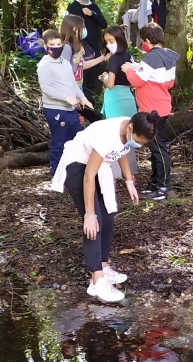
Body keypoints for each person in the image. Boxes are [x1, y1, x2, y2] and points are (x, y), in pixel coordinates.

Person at [50, 112, 159, 302]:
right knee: (95, 223)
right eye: (138, 142)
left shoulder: (128, 128)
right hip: (77, 167)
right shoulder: (107, 135)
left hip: (98, 167)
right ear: (131, 128)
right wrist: (89, 215)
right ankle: (96, 281)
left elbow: (123, 152)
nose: (138, 146)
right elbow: (88, 176)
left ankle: (103, 266)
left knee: (108, 216)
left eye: (142, 144)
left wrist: (129, 181)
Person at [122, 23, 179, 200]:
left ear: (147, 40)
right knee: (154, 146)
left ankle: (163, 186)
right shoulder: (168, 56)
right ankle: (155, 182)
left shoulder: (152, 57)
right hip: (161, 105)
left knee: (158, 148)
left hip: (152, 109)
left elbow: (137, 81)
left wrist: (128, 71)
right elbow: (168, 82)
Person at [37, 29, 93, 175]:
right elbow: (46, 88)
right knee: (59, 141)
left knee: (77, 138)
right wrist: (66, 98)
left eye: (58, 44)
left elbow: (73, 84)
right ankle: (56, 173)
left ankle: (75, 170)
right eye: (52, 44)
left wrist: (83, 98)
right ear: (45, 46)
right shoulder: (44, 65)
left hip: (70, 109)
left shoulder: (65, 63)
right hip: (55, 109)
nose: (56, 47)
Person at [67, 0, 108, 99]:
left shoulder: (94, 7)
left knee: (93, 81)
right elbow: (67, 29)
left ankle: (90, 108)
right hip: (79, 49)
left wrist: (92, 14)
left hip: (94, 48)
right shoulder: (72, 7)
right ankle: (80, 109)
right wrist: (76, 45)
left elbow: (103, 24)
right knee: (80, 79)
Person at [61, 14, 106, 123]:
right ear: (74, 28)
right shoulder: (66, 48)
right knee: (93, 119)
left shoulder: (75, 47)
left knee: (84, 119)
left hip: (78, 89)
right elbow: (65, 72)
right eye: (83, 27)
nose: (84, 30)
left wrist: (102, 58)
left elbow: (81, 66)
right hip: (71, 92)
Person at [99, 26, 137, 119]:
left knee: (115, 129)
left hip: (114, 97)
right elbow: (131, 82)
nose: (108, 44)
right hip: (128, 96)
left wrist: (105, 78)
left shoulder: (114, 58)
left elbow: (111, 84)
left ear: (120, 39)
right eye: (107, 42)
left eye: (111, 41)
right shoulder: (129, 56)